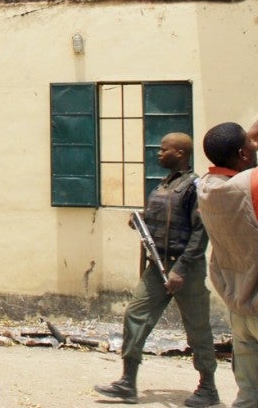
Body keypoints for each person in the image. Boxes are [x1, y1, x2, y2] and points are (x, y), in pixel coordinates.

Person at [94, 132, 219, 407]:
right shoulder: (164, 185)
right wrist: (139, 221)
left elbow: (201, 233)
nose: (159, 153)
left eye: (165, 150)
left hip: (184, 268)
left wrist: (181, 270)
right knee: (135, 315)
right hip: (158, 265)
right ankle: (127, 383)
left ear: (181, 154)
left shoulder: (194, 186)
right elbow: (158, 218)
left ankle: (208, 387)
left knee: (197, 328)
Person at [196, 121, 258, 407]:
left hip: (241, 309)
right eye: (250, 145)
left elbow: (234, 145)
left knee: (249, 395)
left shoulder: (207, 188)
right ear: (243, 155)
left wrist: (247, 139)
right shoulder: (250, 185)